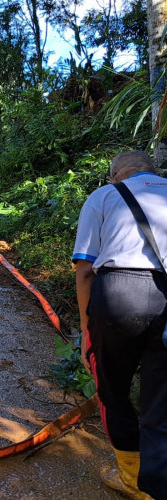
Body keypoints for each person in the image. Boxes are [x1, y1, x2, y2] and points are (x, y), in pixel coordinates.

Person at [73, 150, 167, 500]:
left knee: (113, 391)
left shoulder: (104, 196)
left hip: (120, 294)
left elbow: (84, 269)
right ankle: (157, 486)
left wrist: (87, 332)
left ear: (115, 175)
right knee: (161, 399)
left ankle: (132, 480)